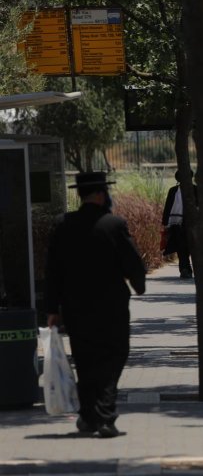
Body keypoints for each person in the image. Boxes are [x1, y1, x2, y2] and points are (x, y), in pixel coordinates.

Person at [45, 172, 146, 438]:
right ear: (101, 194)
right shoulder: (113, 225)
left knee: (86, 360)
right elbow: (132, 262)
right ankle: (105, 416)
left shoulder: (63, 225)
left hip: (76, 308)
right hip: (111, 307)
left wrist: (52, 308)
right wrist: (139, 285)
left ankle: (89, 416)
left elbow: (52, 269)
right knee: (114, 356)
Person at [162, 169, 195, 278]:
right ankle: (185, 269)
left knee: (193, 247)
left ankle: (193, 268)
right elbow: (168, 206)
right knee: (181, 247)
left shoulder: (196, 190)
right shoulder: (173, 191)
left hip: (192, 223)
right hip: (177, 223)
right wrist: (166, 222)